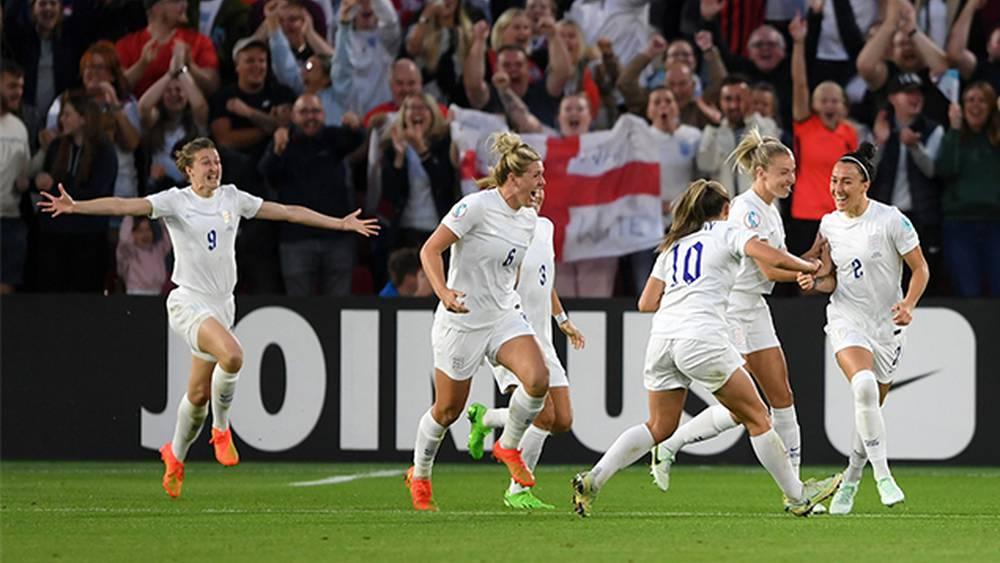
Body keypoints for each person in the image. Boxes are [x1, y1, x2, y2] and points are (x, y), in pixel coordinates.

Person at [37, 137, 378, 498]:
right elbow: (125, 203)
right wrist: (77, 207)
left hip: (221, 305)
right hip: (188, 302)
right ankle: (222, 429)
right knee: (233, 355)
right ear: (188, 170)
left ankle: (175, 456)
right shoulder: (175, 201)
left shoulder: (232, 197)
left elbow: (288, 211)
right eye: (205, 162)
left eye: (216, 160)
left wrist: (340, 224)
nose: (214, 167)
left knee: (198, 394)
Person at [571, 179, 841, 518]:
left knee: (659, 426)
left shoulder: (673, 246)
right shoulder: (727, 232)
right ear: (726, 210)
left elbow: (645, 302)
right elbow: (767, 254)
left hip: (662, 340)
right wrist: (810, 266)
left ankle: (593, 479)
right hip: (702, 337)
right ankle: (797, 496)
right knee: (758, 416)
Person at [649, 129, 829, 513]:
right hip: (733, 309)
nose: (791, 179)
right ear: (760, 172)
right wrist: (808, 270)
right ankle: (671, 444)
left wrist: (809, 257)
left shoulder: (769, 209)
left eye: (794, 171)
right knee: (745, 408)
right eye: (784, 172)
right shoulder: (745, 210)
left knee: (782, 398)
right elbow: (767, 267)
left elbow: (778, 260)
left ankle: (793, 489)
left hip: (756, 307)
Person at [406, 132, 549, 511]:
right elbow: (430, 249)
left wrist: (507, 299)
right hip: (462, 319)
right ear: (513, 178)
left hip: (501, 315)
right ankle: (419, 475)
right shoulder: (475, 207)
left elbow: (510, 270)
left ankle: (507, 445)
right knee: (448, 410)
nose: (542, 183)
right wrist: (444, 293)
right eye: (536, 175)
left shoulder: (528, 220)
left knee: (537, 379)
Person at [796, 142, 930, 514]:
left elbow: (920, 269)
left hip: (886, 327)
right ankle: (884, 476)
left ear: (865, 184)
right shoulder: (828, 225)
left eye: (846, 182)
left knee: (867, 404)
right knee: (864, 385)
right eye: (834, 181)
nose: (837, 189)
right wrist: (811, 281)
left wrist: (908, 305)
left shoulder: (891, 220)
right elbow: (827, 278)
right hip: (846, 318)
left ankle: (851, 479)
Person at [465, 187, 586, 510]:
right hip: (513, 333)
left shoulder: (545, 227)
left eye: (543, 187)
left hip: (543, 335)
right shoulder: (501, 229)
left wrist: (562, 320)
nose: (539, 193)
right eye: (532, 186)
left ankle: (486, 419)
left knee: (562, 419)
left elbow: (544, 280)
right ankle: (517, 489)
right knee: (543, 415)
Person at [934, 82, 1000, 297]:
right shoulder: (953, 137)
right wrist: (954, 129)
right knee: (968, 291)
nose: (976, 105)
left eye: (982, 100)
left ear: (991, 106)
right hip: (960, 225)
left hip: (995, 224)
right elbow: (945, 170)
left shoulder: (996, 140)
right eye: (970, 100)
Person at [116, 216, 172, 295]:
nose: (145, 234)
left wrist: (162, 217)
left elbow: (170, 237)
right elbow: (124, 240)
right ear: (132, 234)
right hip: (136, 293)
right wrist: (130, 213)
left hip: (158, 293)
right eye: (140, 231)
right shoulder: (129, 253)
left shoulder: (158, 250)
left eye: (148, 229)